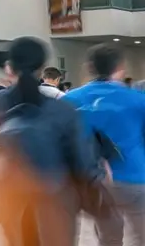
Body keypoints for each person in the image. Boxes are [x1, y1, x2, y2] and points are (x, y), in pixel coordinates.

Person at [0, 37, 104, 246]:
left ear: (9, 68)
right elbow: (82, 165)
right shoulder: (62, 109)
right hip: (56, 205)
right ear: (41, 70)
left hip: (8, 202)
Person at [61, 43, 144, 246]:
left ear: (90, 67)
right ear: (120, 68)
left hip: (93, 179)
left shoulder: (70, 100)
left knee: (108, 237)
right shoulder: (137, 99)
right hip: (135, 175)